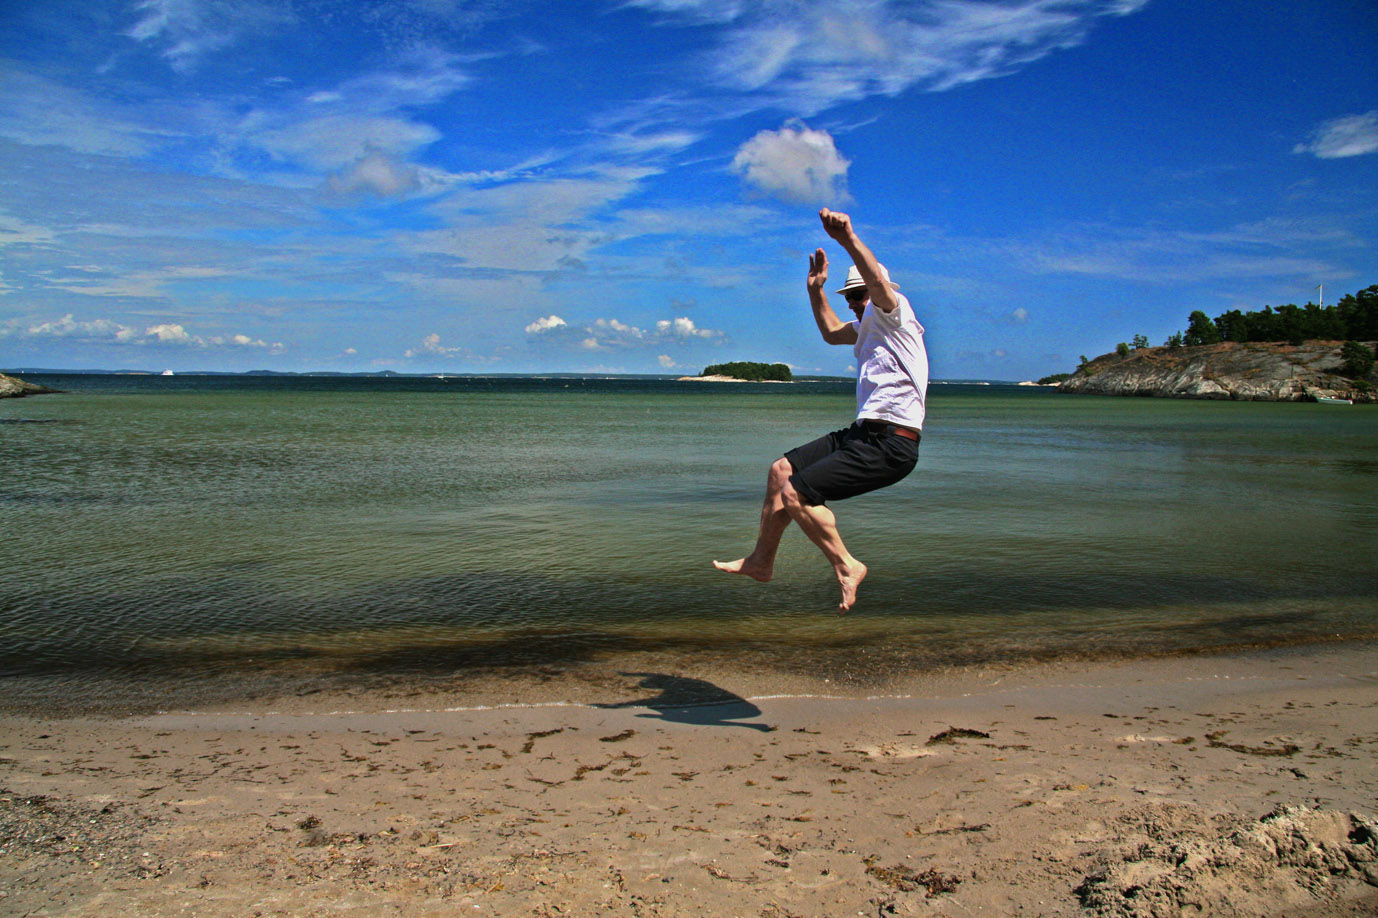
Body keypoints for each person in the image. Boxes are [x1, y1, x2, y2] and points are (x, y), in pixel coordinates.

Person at [714, 208, 928, 614]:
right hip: (863, 433)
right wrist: (816, 290)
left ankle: (847, 565)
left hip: (892, 443)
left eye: (858, 295)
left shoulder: (896, 315)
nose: (854, 304)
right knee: (782, 471)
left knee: (798, 494)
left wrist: (846, 238)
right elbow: (831, 333)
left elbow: (879, 284)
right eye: (850, 298)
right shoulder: (866, 326)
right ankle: (761, 561)